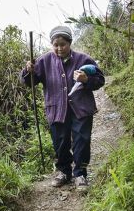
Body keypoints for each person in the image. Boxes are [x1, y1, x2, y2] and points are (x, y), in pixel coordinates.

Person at [20, 25, 105, 191]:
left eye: (63, 44)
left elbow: (100, 79)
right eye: (56, 45)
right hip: (56, 108)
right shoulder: (44, 61)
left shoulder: (83, 59)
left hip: (81, 108)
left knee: (82, 140)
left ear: (70, 43)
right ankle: (64, 172)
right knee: (60, 141)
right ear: (52, 45)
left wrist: (86, 79)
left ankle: (80, 174)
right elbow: (29, 82)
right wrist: (28, 71)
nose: (59, 48)